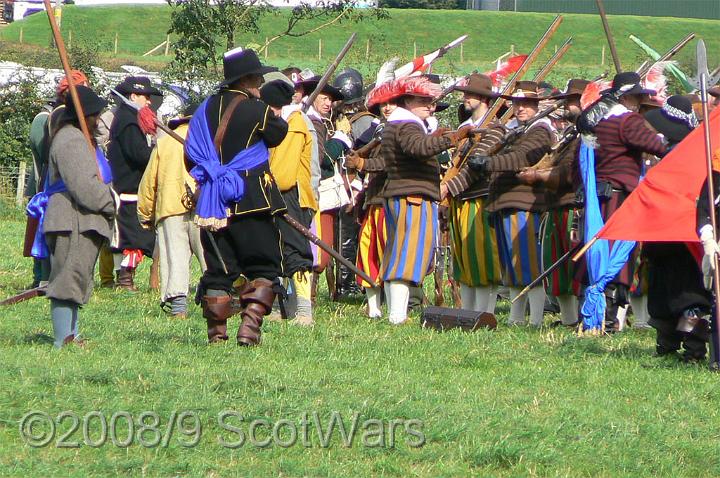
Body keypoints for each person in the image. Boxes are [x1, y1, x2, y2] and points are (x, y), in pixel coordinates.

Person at [185, 48, 288, 346]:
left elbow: (192, 158)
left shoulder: (203, 109)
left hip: (212, 202)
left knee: (219, 270)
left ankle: (216, 336)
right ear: (246, 80)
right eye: (257, 77)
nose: (260, 82)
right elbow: (278, 134)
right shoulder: (257, 109)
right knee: (264, 266)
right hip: (253, 199)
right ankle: (249, 329)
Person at [577, 72, 667, 333]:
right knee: (617, 258)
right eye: (637, 98)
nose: (639, 103)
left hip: (601, 196)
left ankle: (598, 317)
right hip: (619, 197)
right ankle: (606, 319)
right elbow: (657, 146)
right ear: (626, 98)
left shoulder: (599, 123)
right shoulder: (627, 121)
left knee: (598, 255)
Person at [378, 76, 470, 324]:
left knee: (398, 252)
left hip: (402, 193)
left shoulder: (399, 123)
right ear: (407, 100)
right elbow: (417, 148)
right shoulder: (408, 125)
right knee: (407, 254)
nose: (430, 106)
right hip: (412, 196)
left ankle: (396, 313)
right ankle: (397, 315)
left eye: (431, 101)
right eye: (423, 101)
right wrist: (451, 138)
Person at [29, 86, 115, 347]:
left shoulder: (78, 138)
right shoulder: (71, 139)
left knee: (76, 277)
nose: (98, 120)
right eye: (95, 115)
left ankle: (71, 334)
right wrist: (111, 202)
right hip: (72, 219)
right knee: (67, 280)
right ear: (83, 114)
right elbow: (83, 186)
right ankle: (63, 338)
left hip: (79, 219)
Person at [468, 81, 555, 327]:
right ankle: (517, 318)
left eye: (527, 104)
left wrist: (488, 163)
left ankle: (536, 319)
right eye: (518, 103)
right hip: (506, 201)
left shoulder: (540, 131)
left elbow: (523, 156)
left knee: (529, 266)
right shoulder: (514, 129)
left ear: (536, 105)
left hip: (524, 203)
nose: (521, 109)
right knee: (512, 268)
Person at [640, 95, 710, 361]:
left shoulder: (691, 156)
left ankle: (693, 347)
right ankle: (666, 342)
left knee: (689, 294)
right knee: (662, 290)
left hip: (684, 233)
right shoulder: (667, 151)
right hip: (661, 232)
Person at [517, 78, 590, 327]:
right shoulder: (571, 134)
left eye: (574, 101)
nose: (569, 106)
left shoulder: (590, 136)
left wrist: (537, 176)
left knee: (578, 270)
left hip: (576, 207)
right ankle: (569, 320)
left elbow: (571, 174)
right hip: (557, 206)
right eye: (569, 101)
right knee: (558, 272)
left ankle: (589, 318)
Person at [441, 73, 505, 314]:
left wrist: (447, 188)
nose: (465, 98)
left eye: (469, 95)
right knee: (464, 260)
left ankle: (484, 312)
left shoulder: (495, 129)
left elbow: (474, 170)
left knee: (483, 258)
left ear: (482, 98)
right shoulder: (466, 129)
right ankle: (466, 312)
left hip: (480, 198)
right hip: (460, 200)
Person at [137, 104, 206, 319]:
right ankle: (217, 302)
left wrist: (146, 215)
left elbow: (149, 183)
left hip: (169, 208)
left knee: (174, 260)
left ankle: (178, 309)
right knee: (210, 259)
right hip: (204, 206)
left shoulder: (165, 142)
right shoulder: (209, 140)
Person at [261, 74, 318, 326]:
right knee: (275, 252)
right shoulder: (281, 121)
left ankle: (304, 311)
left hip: (291, 196)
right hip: (276, 194)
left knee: (296, 253)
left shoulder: (293, 124)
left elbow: (282, 173)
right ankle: (278, 306)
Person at [107, 76, 163, 291]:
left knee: (133, 237)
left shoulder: (129, 117)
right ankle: (125, 280)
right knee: (133, 238)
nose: (148, 101)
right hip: (128, 188)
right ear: (133, 96)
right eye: (145, 96)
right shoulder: (129, 120)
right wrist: (159, 154)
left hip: (129, 186)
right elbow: (139, 155)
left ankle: (124, 279)